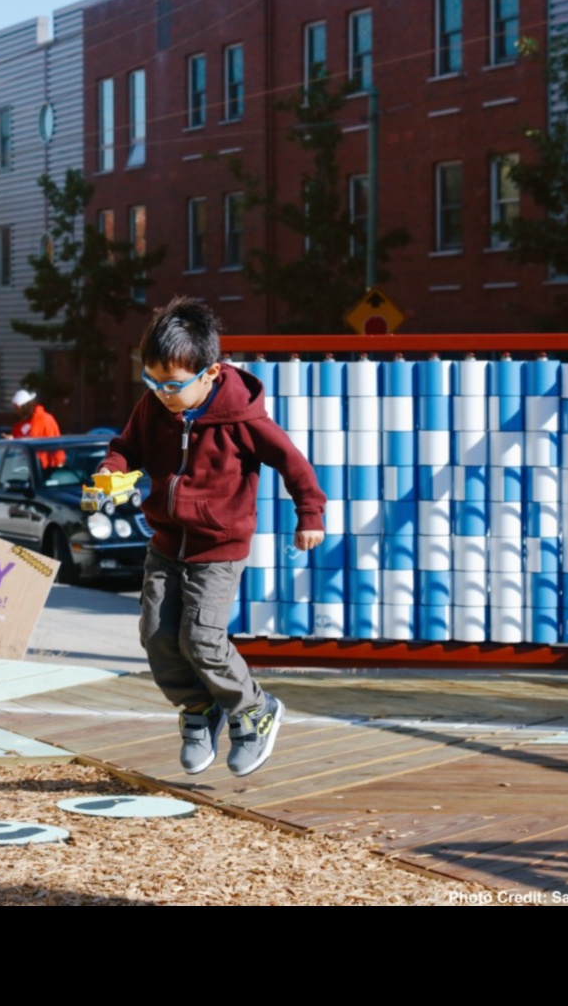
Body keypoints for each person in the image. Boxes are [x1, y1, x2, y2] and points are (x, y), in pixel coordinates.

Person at [96, 297, 325, 778]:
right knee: (157, 637)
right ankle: (199, 710)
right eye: (152, 381)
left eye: (173, 384)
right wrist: (108, 476)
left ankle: (253, 710)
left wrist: (310, 514)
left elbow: (293, 463)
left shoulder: (244, 419)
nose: (162, 393)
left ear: (211, 374)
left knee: (201, 638)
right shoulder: (152, 408)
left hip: (217, 549)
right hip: (165, 543)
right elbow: (125, 449)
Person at [11, 388, 65, 471]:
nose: (17, 412)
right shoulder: (19, 424)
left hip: (44, 469)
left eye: (17, 409)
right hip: (23, 469)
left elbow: (55, 444)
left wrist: (58, 465)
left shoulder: (45, 419)